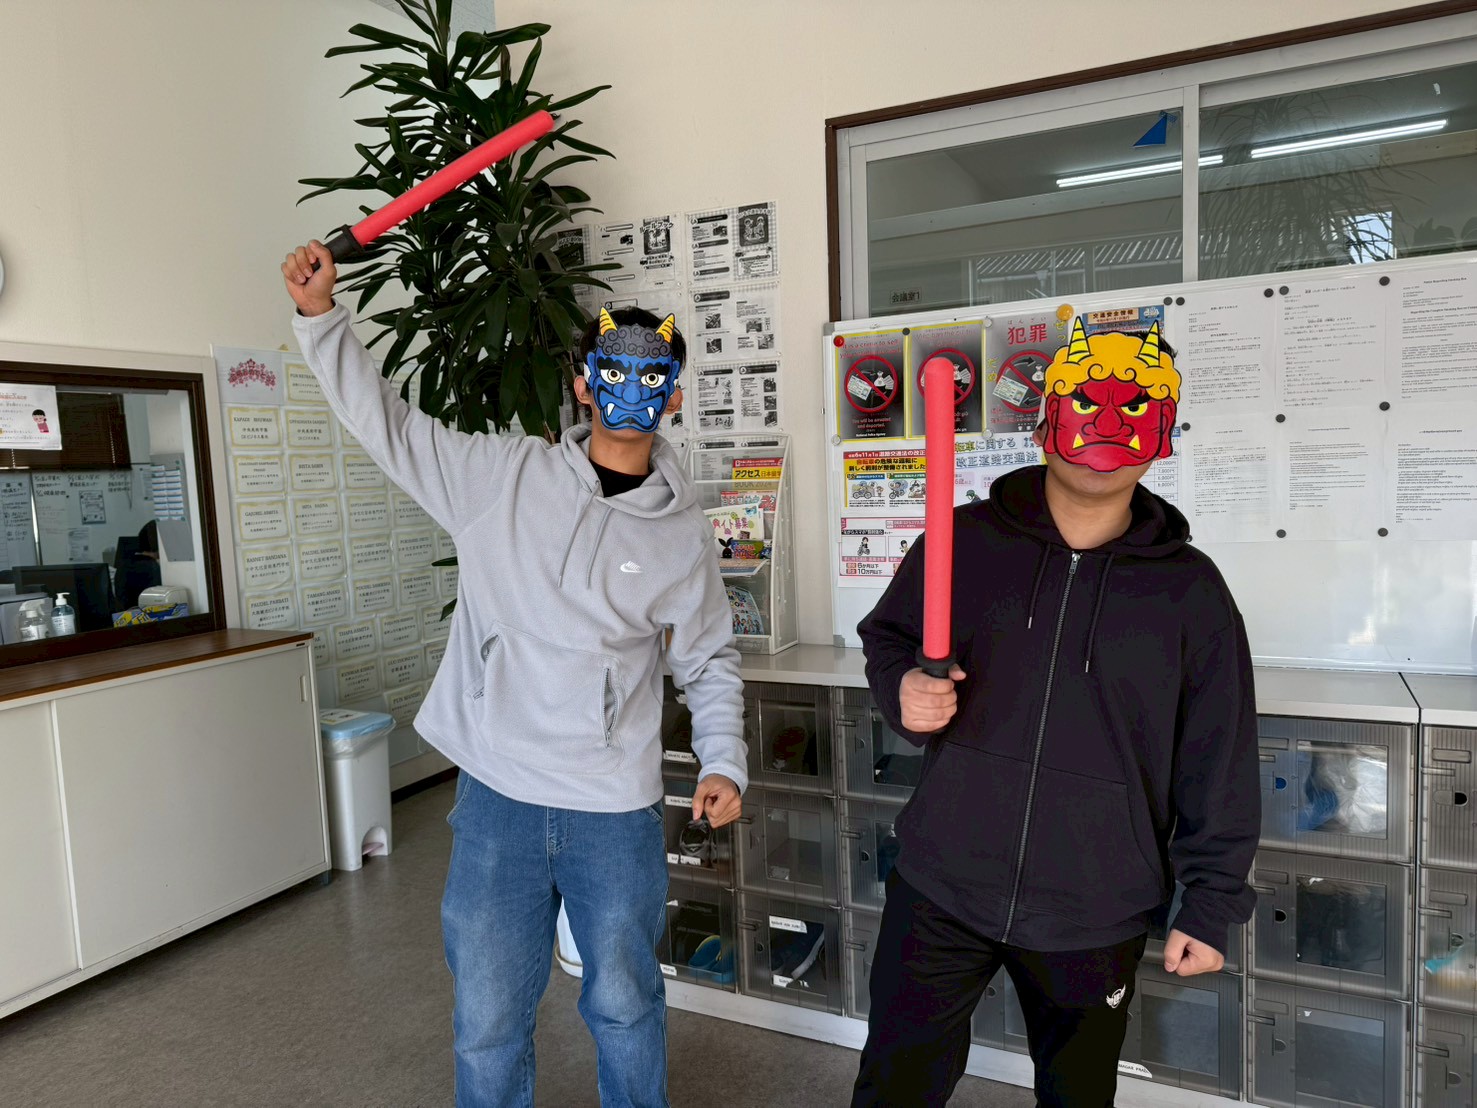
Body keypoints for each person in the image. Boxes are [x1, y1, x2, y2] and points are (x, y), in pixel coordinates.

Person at [282, 241, 748, 1108]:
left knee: (625, 1006)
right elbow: (388, 426)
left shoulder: (684, 534)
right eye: (614, 372)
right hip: (498, 797)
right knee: (488, 1019)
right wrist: (320, 319)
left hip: (613, 807)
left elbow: (707, 658)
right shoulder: (500, 477)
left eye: (654, 377)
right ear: (583, 384)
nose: (633, 390)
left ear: (676, 395)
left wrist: (723, 759)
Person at [852, 319, 1260, 1108]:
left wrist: (1209, 904)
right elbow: (888, 638)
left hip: (1096, 908)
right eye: (1085, 403)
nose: (1106, 424)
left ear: (1162, 435)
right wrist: (901, 685)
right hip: (941, 884)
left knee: (1077, 1096)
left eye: (1134, 407)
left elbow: (1219, 758)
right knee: (894, 1086)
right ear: (1045, 420)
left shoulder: (1191, 593)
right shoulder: (960, 543)